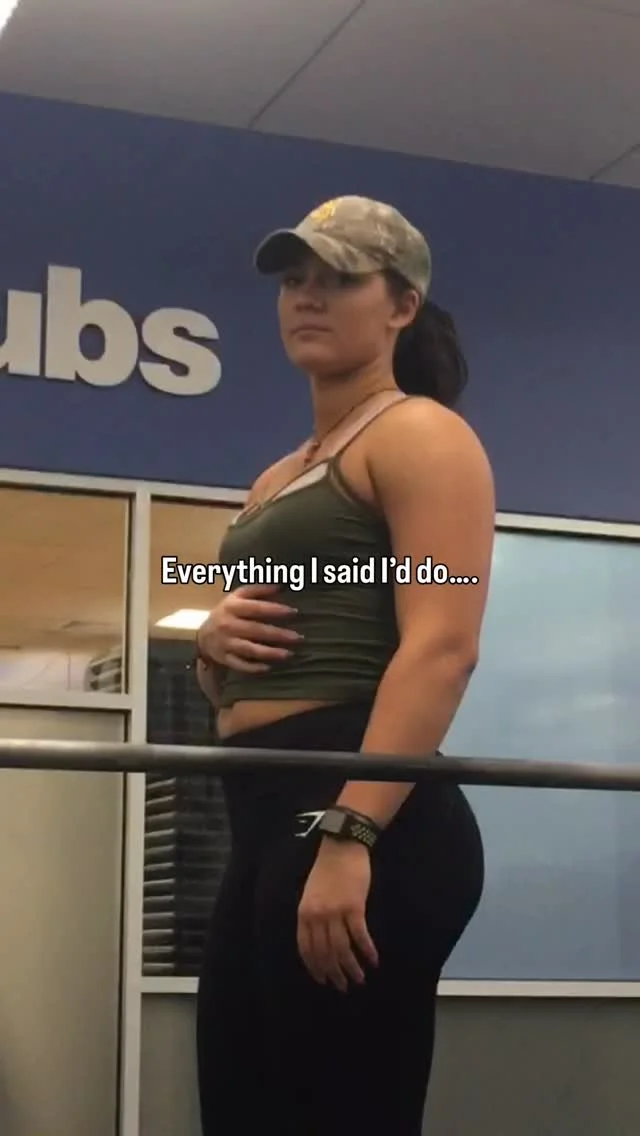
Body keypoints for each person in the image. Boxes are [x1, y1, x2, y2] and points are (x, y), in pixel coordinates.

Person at [194, 195, 495, 1136]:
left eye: (338, 279)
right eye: (294, 280)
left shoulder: (420, 435)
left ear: (401, 306)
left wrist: (350, 833)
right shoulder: (278, 477)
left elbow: (442, 646)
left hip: (358, 804)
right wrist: (210, 642)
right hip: (263, 807)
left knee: (341, 1111)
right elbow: (246, 669)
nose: (306, 297)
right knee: (242, 1103)